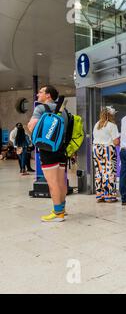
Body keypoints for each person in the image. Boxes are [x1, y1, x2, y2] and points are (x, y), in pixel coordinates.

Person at [28, 85, 67, 222]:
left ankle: (57, 213)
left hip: (47, 150)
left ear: (48, 95)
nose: (38, 94)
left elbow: (31, 126)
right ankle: (62, 208)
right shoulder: (64, 110)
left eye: (41, 92)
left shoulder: (40, 108)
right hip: (61, 149)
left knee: (52, 182)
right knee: (61, 181)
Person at [93, 106, 120, 203]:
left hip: (96, 149)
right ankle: (109, 196)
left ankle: (100, 195)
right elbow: (116, 142)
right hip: (107, 149)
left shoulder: (97, 124)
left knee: (99, 172)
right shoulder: (112, 125)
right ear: (111, 115)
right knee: (109, 172)